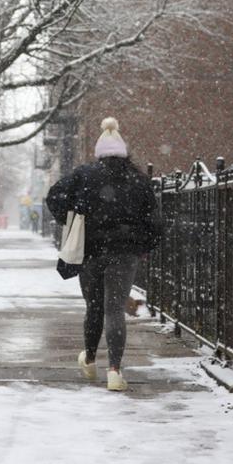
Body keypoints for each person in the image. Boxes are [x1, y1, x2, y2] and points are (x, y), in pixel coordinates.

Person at [45, 117, 162, 391]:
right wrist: (142, 245)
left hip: (91, 252)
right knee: (114, 311)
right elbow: (154, 221)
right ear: (123, 152)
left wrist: (71, 217)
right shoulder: (139, 181)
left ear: (99, 153)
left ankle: (88, 359)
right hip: (125, 254)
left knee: (94, 308)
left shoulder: (84, 176)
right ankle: (114, 370)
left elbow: (54, 197)